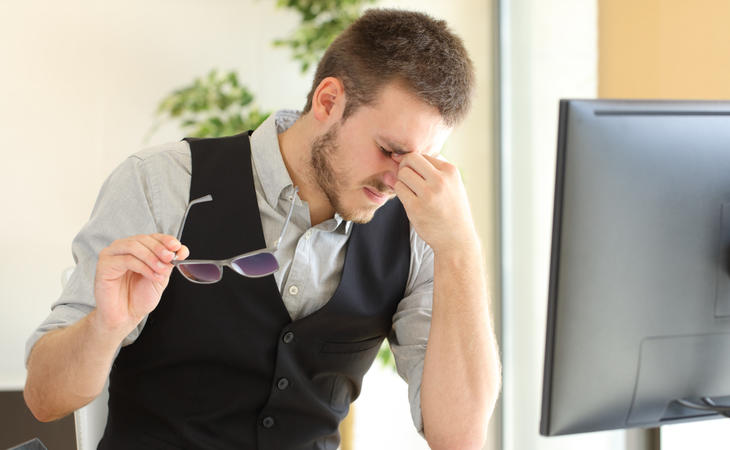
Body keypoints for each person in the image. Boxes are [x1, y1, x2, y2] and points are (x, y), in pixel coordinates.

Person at [23, 8, 501, 449]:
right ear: (329, 100)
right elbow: (45, 399)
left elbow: (459, 437)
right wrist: (105, 327)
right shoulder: (163, 182)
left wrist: (460, 248)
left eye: (421, 160)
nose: (399, 180)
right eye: (391, 150)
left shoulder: (421, 231)